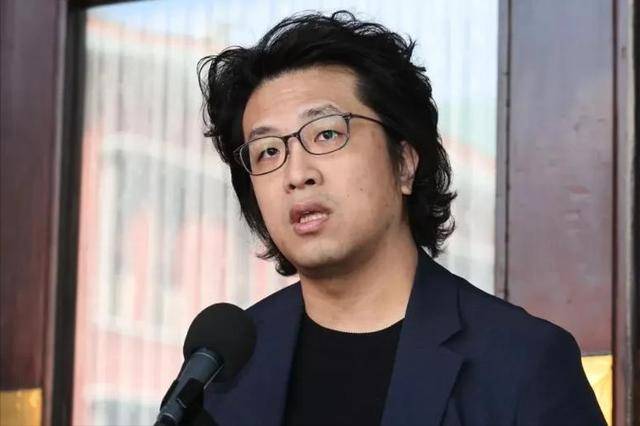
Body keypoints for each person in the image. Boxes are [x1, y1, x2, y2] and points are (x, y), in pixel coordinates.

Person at [196, 10, 606, 426]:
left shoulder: (523, 364)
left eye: (327, 134)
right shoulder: (224, 370)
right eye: (268, 151)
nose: (297, 174)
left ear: (405, 163)